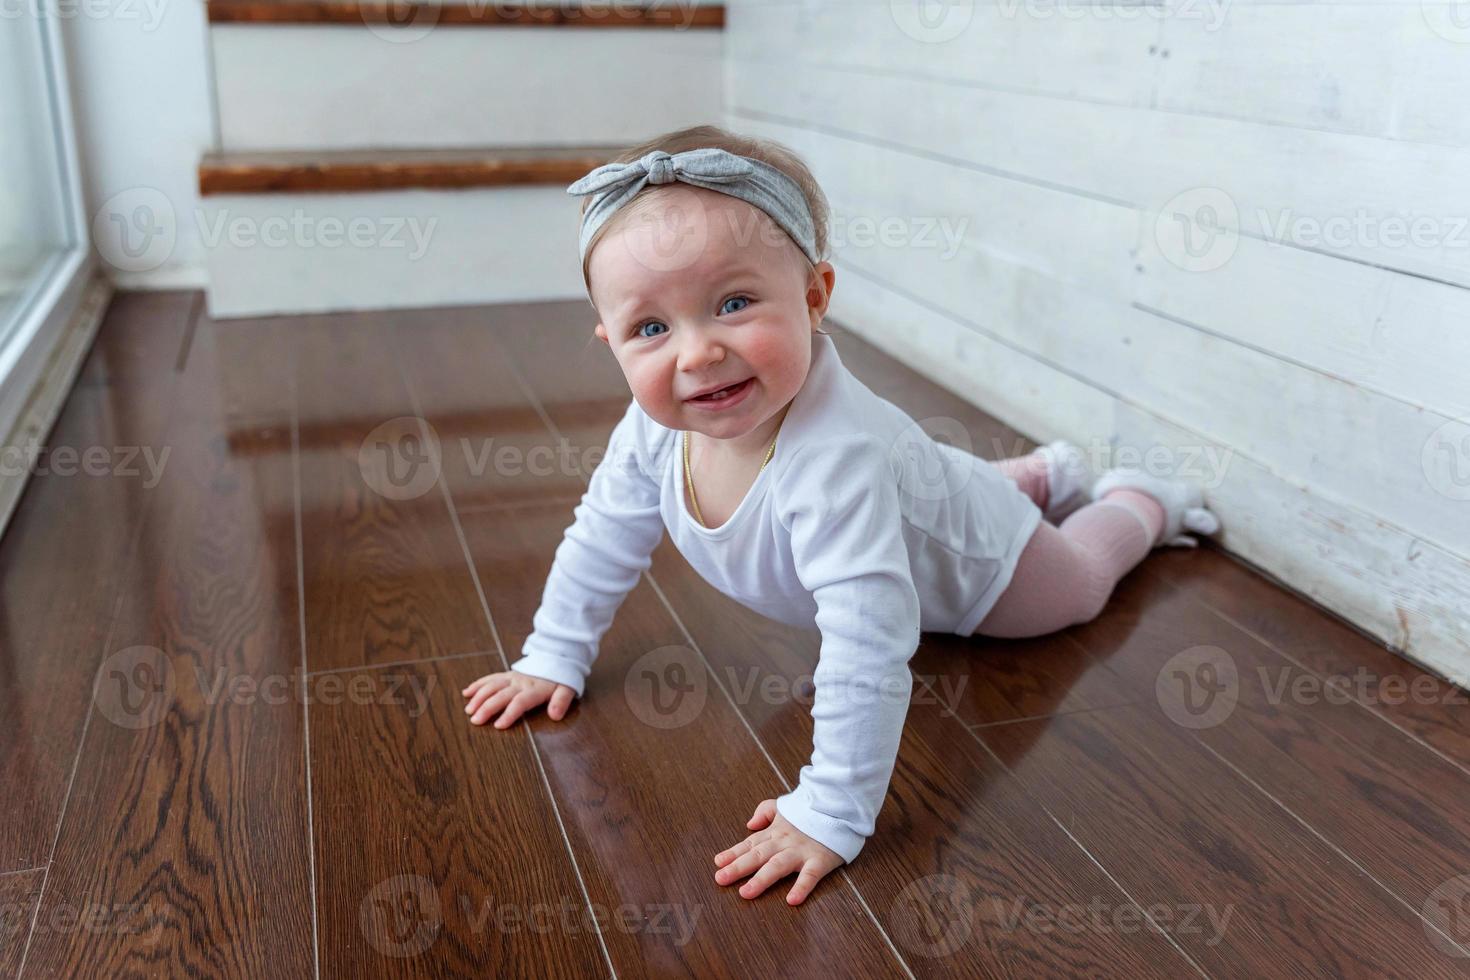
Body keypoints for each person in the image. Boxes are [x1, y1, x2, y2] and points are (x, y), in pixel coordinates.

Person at [461, 125, 1220, 906]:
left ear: (816, 296)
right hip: (926, 502)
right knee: (938, 485)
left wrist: (832, 807)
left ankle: (1140, 500)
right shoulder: (653, 428)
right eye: (651, 328)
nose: (696, 353)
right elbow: (603, 534)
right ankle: (1042, 472)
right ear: (611, 341)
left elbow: (866, 642)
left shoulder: (837, 461)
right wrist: (552, 652)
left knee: (1081, 584)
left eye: (734, 303)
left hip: (991, 569)